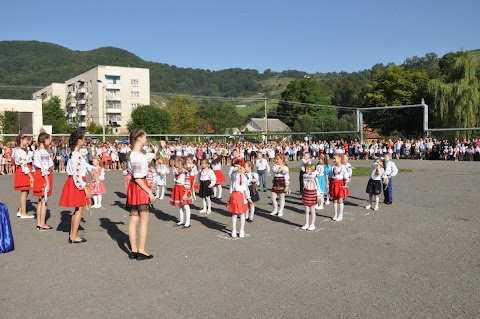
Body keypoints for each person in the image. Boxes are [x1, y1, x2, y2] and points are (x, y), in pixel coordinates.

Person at [59, 130, 93, 243]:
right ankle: (73, 236)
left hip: (75, 181)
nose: (84, 141)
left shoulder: (74, 154)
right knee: (79, 209)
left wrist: (93, 169)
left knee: (78, 209)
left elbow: (83, 166)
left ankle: (73, 233)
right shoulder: (76, 155)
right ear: (79, 141)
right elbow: (77, 174)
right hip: (77, 182)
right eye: (83, 139)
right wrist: (85, 188)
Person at [126, 129, 155, 260]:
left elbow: (150, 156)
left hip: (134, 186)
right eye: (145, 137)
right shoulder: (136, 155)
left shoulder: (134, 154)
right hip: (140, 186)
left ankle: (133, 250)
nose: (146, 140)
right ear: (139, 138)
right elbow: (138, 177)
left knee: (133, 219)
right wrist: (149, 191)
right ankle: (141, 250)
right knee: (143, 220)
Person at [32, 132, 53, 230]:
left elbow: (35, 166)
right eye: (48, 139)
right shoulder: (44, 152)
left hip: (38, 175)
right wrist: (47, 182)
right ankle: (42, 223)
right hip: (44, 176)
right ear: (44, 140)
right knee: (44, 201)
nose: (50, 141)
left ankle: (39, 222)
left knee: (40, 201)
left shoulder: (37, 151)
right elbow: (45, 168)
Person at [228, 158, 253, 238]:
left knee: (242, 213)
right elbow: (232, 174)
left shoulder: (245, 177)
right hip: (235, 195)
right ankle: (234, 230)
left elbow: (246, 189)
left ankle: (242, 230)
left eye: (241, 167)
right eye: (238, 166)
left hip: (242, 196)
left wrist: (248, 198)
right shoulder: (234, 175)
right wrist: (236, 169)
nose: (240, 168)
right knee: (234, 213)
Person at [13, 134, 35, 219]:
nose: (27, 141)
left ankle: (20, 210)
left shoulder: (19, 150)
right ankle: (23, 212)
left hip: (24, 170)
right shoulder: (20, 152)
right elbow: (24, 165)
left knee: (25, 191)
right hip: (24, 172)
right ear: (21, 140)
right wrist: (31, 176)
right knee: (24, 192)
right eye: (26, 139)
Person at [170, 157, 193, 228]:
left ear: (180, 163)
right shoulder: (176, 170)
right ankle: (181, 220)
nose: (174, 163)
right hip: (177, 187)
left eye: (176, 162)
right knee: (180, 206)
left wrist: (186, 193)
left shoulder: (186, 172)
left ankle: (187, 222)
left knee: (186, 205)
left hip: (183, 189)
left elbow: (187, 183)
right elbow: (176, 172)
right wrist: (183, 169)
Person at [329, 154, 349, 222]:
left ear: (340, 159)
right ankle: (335, 214)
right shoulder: (333, 167)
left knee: (340, 200)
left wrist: (346, 184)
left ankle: (340, 215)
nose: (334, 160)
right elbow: (331, 176)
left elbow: (346, 176)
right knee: (334, 200)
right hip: (334, 183)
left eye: (335, 159)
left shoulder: (343, 167)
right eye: (333, 159)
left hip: (340, 184)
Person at [301, 165, 320, 231]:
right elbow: (311, 176)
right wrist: (316, 172)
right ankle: (306, 223)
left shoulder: (315, 177)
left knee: (312, 210)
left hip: (312, 193)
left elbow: (317, 186)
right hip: (306, 193)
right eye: (306, 169)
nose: (306, 170)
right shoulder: (305, 176)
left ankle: (312, 224)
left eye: (308, 169)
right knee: (306, 210)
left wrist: (318, 195)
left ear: (311, 170)